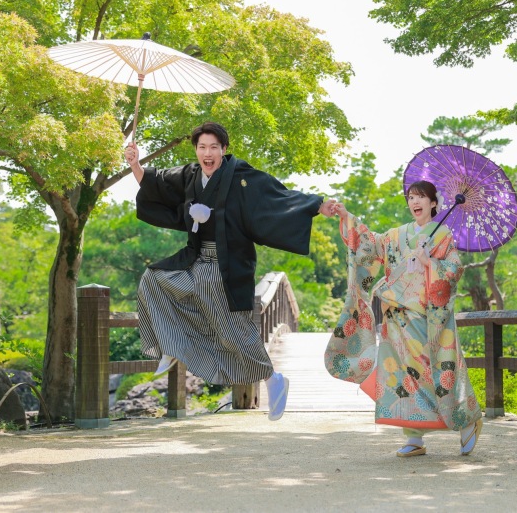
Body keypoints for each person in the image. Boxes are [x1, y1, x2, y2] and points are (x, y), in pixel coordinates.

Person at [124, 121, 337, 421]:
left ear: (224, 149)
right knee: (153, 280)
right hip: (195, 260)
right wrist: (135, 163)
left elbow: (278, 197)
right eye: (202, 147)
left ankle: (273, 380)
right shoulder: (190, 175)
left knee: (234, 333)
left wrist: (318, 205)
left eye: (213, 147)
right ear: (196, 150)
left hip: (227, 267)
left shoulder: (241, 177)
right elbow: (154, 182)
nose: (207, 153)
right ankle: (171, 345)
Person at [326, 180, 483, 456]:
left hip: (427, 318)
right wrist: (346, 217)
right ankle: (414, 436)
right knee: (403, 376)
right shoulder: (397, 235)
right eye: (411, 197)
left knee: (437, 371)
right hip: (396, 319)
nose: (415, 202)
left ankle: (467, 421)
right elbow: (369, 244)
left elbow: (454, 270)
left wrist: (429, 263)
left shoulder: (443, 235)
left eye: (421, 197)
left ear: (434, 203)